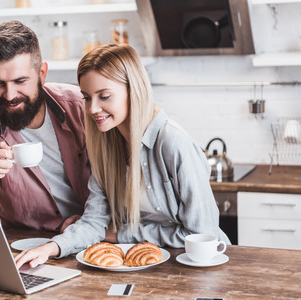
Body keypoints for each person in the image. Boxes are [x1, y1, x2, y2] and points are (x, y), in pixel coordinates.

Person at [15, 43, 230, 268]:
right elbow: (93, 223)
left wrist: (122, 235)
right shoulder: (106, 145)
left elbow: (203, 234)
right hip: (142, 265)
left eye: (104, 96)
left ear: (133, 90)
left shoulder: (173, 143)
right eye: (87, 97)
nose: (92, 109)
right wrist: (49, 248)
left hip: (196, 266)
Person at [0, 20, 91, 231]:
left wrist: (89, 226)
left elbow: (116, 178)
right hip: (26, 247)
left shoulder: (79, 106)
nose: (9, 95)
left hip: (95, 238)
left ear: (42, 74)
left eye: (20, 81)